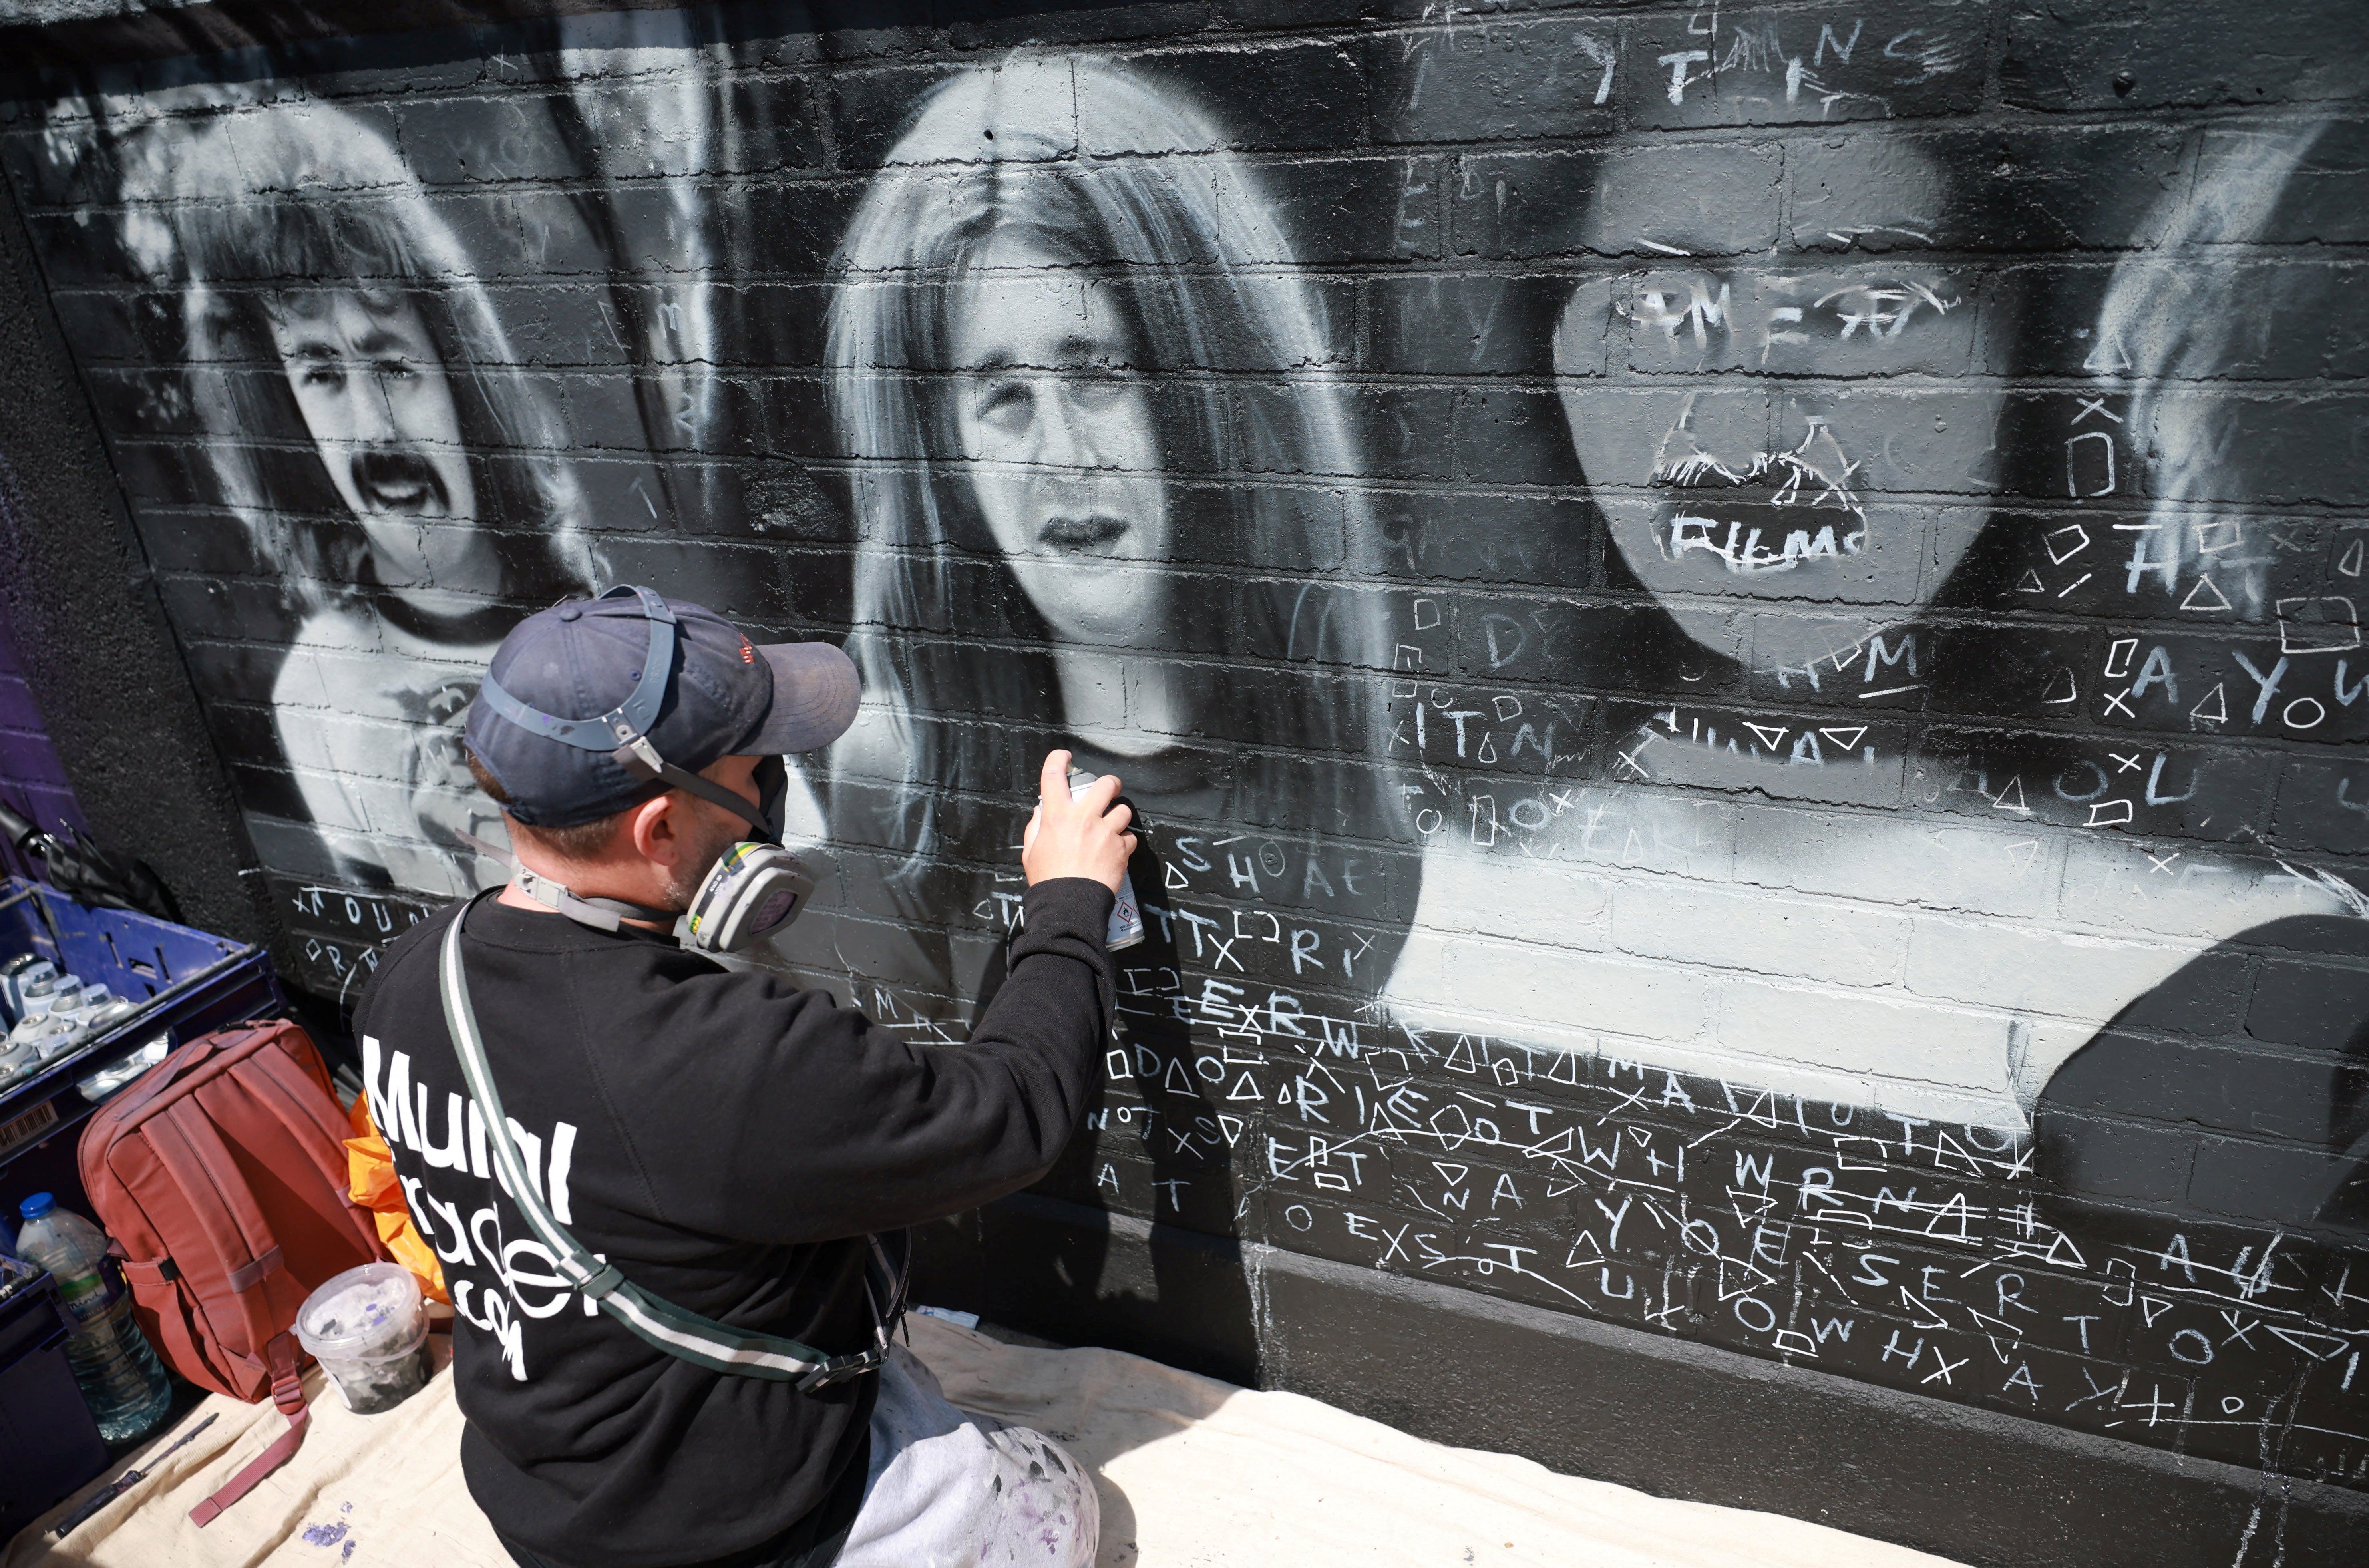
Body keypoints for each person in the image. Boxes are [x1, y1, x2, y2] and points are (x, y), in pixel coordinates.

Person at [1383, 109, 2364, 1202]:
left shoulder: (2200, 957)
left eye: (1866, 308)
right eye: (1654, 303)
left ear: (2027, 365)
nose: (1745, 416)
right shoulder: (1428, 858)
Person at [356, 586, 1128, 1568]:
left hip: (551, 1498)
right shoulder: (719, 1058)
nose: (771, 794)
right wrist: (1069, 901)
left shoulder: (415, 973)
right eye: (754, 771)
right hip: (741, 1527)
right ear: (658, 829)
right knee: (1057, 1504)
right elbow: (1014, 1111)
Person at [112, 99, 597, 904]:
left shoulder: (613, 611)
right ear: (283, 412)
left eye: (393, 366)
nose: (374, 427)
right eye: (322, 375)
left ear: (458, 373)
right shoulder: (318, 690)